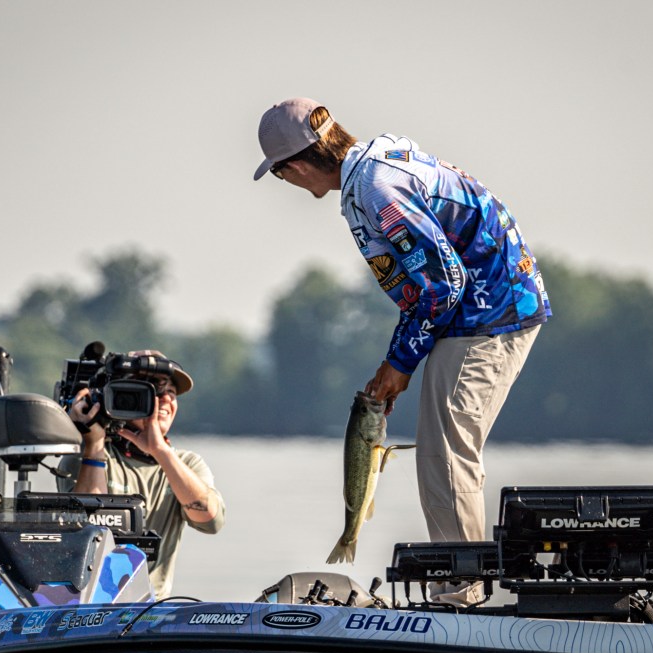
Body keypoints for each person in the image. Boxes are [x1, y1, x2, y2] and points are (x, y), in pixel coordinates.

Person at [254, 98, 550, 605]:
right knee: (442, 450)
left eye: (280, 174)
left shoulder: (377, 189)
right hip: (477, 311)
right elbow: (426, 287)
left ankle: (461, 596)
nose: (287, 182)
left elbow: (444, 284)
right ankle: (461, 588)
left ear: (296, 166)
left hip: (489, 312)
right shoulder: (371, 166)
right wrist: (396, 360)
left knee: (445, 453)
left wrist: (401, 362)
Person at [56, 349, 225, 600]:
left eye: (171, 392)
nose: (164, 400)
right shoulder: (86, 456)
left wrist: (160, 451)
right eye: (152, 391)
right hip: (92, 602)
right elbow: (88, 531)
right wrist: (94, 443)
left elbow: (211, 520)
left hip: (153, 606)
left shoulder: (187, 464)